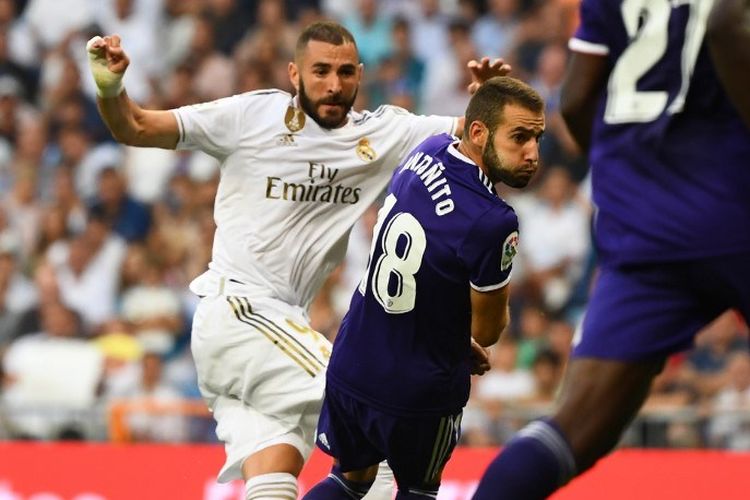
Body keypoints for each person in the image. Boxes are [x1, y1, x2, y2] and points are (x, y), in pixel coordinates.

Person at [85, 21, 510, 500]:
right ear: (294, 73)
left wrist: (484, 99)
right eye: (321, 71)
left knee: (275, 477)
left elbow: (471, 136)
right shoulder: (251, 116)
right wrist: (110, 85)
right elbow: (137, 125)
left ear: (360, 74)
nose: (334, 84)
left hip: (277, 330)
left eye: (346, 72)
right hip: (239, 312)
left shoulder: (381, 133)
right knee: (377, 397)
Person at [472, 0, 750, 498]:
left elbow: (577, 100)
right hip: (734, 197)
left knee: (570, 432)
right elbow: (731, 22)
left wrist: (627, 172)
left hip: (642, 220)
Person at [302, 76, 545, 500]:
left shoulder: (428, 149)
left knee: (348, 480)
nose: (532, 154)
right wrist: (462, 336)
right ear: (478, 132)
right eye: (519, 137)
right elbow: (488, 331)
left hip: (354, 360)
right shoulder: (494, 221)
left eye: (537, 138)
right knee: (418, 492)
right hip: (418, 390)